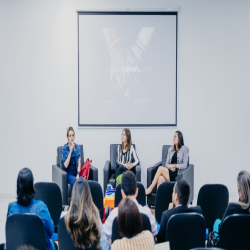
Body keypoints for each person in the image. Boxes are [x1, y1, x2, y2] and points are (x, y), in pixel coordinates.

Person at [8, 168, 56, 250]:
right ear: (32, 185)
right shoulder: (41, 207)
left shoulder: (12, 209)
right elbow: (51, 232)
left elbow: (10, 236)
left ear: (18, 186)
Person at [104, 171, 157, 240]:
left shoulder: (114, 214)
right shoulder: (146, 212)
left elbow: (104, 234)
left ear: (122, 192)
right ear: (137, 191)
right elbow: (154, 232)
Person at [64, 178, 110, 250]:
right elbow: (105, 247)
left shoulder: (64, 218)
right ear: (89, 195)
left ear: (73, 196)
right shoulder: (95, 218)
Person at [157, 178, 202, 243]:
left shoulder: (166, 215)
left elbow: (160, 242)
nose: (172, 194)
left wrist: (169, 212)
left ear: (176, 196)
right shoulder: (198, 212)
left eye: (173, 192)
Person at [146, 131, 189, 195]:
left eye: (175, 137)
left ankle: (150, 188)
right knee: (160, 179)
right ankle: (159, 202)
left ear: (179, 138)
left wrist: (175, 165)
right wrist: (170, 166)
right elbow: (166, 164)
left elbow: (185, 165)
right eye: (173, 137)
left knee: (160, 168)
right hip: (169, 171)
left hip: (177, 173)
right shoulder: (170, 149)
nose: (173, 138)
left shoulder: (184, 149)